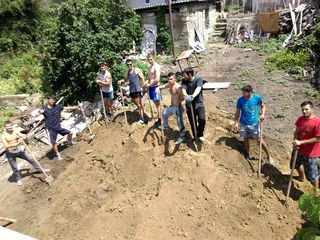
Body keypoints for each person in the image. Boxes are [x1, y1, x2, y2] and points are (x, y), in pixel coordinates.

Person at [1, 121, 50, 186]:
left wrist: (24, 137)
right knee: (15, 167)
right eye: (7, 126)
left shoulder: (15, 132)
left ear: (12, 126)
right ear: (5, 127)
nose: (9, 127)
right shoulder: (3, 135)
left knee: (30, 159)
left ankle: (40, 169)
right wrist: (17, 143)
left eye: (10, 126)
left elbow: (23, 135)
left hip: (18, 150)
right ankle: (18, 179)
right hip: (10, 153)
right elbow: (6, 146)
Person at [234, 84, 274, 163]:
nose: (243, 94)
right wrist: (236, 122)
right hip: (243, 123)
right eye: (242, 92)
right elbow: (238, 111)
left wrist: (262, 114)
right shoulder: (240, 100)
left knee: (259, 140)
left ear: (249, 92)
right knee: (245, 139)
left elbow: (263, 106)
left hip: (254, 124)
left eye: (244, 93)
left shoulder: (256, 98)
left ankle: (269, 156)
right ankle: (248, 154)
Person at [35, 96, 76, 161]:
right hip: (50, 128)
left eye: (53, 100)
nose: (52, 101)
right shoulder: (44, 108)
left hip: (58, 126)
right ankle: (58, 154)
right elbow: (35, 115)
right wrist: (40, 112)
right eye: (51, 100)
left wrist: (76, 108)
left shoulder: (57, 106)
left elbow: (67, 108)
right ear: (48, 100)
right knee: (54, 142)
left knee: (70, 133)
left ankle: (69, 142)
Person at [292, 101, 320, 188]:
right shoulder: (300, 119)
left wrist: (301, 142)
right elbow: (297, 132)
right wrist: (295, 140)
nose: (304, 111)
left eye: (306, 109)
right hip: (298, 150)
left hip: (311, 154)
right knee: (295, 165)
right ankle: (301, 177)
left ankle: (316, 193)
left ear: (312, 109)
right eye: (303, 109)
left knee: (312, 177)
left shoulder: (318, 122)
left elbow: (318, 138)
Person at [157, 72, 185, 145]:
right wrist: (158, 88)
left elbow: (183, 96)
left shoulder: (177, 87)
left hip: (177, 107)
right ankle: (165, 126)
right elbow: (163, 86)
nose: (169, 80)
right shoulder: (169, 85)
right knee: (164, 114)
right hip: (172, 106)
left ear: (174, 79)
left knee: (179, 122)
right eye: (168, 79)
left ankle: (182, 136)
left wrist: (178, 102)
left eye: (171, 79)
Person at [181, 67, 206, 142]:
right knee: (193, 122)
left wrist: (192, 96)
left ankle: (200, 134)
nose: (183, 77)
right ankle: (195, 137)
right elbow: (183, 90)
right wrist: (186, 96)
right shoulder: (184, 81)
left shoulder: (199, 79)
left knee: (202, 120)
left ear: (190, 74)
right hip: (189, 105)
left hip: (199, 104)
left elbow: (198, 88)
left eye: (185, 75)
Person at [118, 59, 146, 124]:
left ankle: (142, 119)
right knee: (133, 101)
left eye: (130, 64)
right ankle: (141, 110)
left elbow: (142, 78)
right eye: (128, 65)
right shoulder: (128, 72)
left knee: (139, 105)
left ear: (132, 64)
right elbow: (125, 80)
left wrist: (144, 86)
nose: (129, 66)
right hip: (132, 90)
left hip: (137, 90)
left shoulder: (136, 70)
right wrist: (120, 81)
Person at [145, 53, 162, 127]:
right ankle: (159, 118)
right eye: (149, 60)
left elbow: (157, 79)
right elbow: (150, 77)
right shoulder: (150, 67)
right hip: (151, 87)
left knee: (158, 104)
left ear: (154, 58)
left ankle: (160, 120)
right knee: (155, 104)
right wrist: (147, 81)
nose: (150, 61)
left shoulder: (156, 67)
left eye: (151, 59)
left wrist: (150, 85)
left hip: (156, 87)